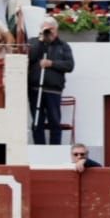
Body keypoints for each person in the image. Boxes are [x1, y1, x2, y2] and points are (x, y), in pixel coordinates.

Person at [27, 15, 74, 145]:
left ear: (56, 30)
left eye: (51, 29)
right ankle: (39, 147)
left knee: (54, 121)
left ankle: (55, 149)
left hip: (54, 90)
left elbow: (70, 66)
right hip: (36, 89)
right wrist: (41, 40)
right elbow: (30, 58)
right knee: (37, 120)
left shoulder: (63, 46)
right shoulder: (34, 42)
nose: (49, 32)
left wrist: (51, 63)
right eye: (45, 29)